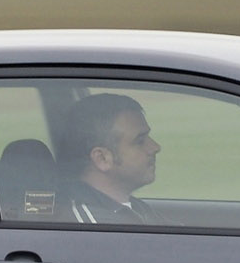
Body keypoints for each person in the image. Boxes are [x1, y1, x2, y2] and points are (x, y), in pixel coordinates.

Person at [54, 92, 165, 224]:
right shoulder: (91, 226)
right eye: (139, 141)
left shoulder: (136, 208)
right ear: (102, 159)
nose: (155, 147)